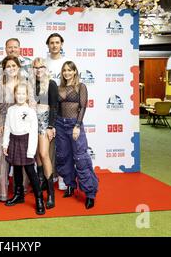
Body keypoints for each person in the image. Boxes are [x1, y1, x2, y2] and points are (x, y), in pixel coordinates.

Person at [55, 61, 98, 209]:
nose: (66, 72)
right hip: (60, 124)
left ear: (74, 72)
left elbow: (83, 107)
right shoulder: (59, 87)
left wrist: (77, 126)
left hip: (74, 124)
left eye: (69, 70)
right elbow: (57, 107)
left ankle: (90, 194)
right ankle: (70, 185)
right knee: (63, 157)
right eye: (64, 70)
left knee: (80, 158)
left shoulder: (81, 87)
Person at [2, 83, 44, 215]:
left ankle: (39, 199)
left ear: (27, 96)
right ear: (14, 95)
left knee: (31, 171)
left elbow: (33, 132)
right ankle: (18, 195)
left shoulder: (31, 111)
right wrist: (5, 144)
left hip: (26, 142)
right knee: (17, 170)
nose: (20, 96)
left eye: (23, 94)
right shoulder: (10, 110)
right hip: (14, 140)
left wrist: (31, 151)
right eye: (18, 93)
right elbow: (8, 127)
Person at [0, 56, 23, 203]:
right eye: (8, 66)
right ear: (4, 69)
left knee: (21, 158)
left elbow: (32, 104)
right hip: (3, 123)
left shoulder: (25, 84)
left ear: (18, 67)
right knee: (1, 159)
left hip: (21, 125)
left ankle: (19, 191)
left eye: (14, 65)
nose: (11, 68)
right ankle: (0, 193)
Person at [29, 57, 58, 209]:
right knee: (36, 155)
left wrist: (51, 126)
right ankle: (41, 182)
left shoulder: (51, 84)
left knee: (44, 153)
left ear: (45, 69)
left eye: (41, 67)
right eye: (35, 67)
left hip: (45, 121)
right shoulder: (30, 84)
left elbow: (54, 107)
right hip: (32, 121)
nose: (38, 70)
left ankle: (51, 193)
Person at [45, 33, 70, 192]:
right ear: (48, 45)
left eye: (57, 42)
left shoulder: (66, 63)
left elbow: (71, 85)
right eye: (51, 43)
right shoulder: (44, 63)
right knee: (48, 146)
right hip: (48, 108)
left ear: (61, 44)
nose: (54, 45)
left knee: (63, 145)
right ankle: (51, 175)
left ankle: (63, 177)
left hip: (64, 108)